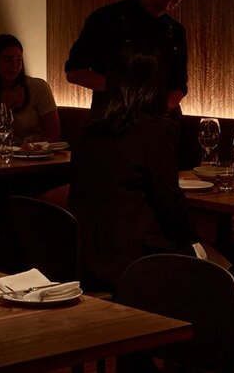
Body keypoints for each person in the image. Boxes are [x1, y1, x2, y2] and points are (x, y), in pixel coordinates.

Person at [68, 41, 225, 294]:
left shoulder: (89, 127)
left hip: (84, 256)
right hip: (136, 258)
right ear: (154, 83)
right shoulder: (157, 130)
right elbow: (169, 204)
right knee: (226, 269)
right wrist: (196, 243)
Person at [64, 0, 195, 113]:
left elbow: (179, 85)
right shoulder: (106, 19)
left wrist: (162, 106)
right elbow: (74, 72)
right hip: (112, 120)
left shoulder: (175, 31)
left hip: (161, 124)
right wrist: (124, 90)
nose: (167, 4)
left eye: (176, 0)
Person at [0, 34, 61, 142]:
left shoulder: (38, 87)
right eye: (8, 60)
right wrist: (3, 107)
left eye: (18, 60)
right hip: (0, 153)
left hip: (36, 153)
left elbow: (54, 135)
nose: (14, 66)